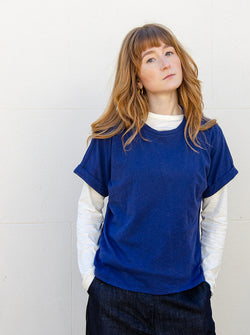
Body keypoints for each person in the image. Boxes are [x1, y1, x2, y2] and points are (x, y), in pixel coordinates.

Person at [74, 23, 238, 335]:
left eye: (169, 53)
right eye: (150, 58)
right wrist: (90, 280)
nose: (164, 63)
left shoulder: (208, 135)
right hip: (114, 298)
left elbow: (216, 216)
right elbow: (89, 209)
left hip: (187, 298)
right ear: (136, 78)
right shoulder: (112, 136)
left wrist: (207, 283)